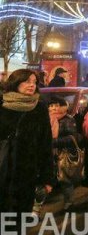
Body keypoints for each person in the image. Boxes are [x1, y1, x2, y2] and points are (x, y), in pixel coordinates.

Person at [0, 69, 53, 217]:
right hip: (2, 167)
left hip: (26, 172)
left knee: (18, 218)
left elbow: (45, 143)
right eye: (27, 81)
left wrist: (46, 177)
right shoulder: (2, 104)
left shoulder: (39, 108)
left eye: (34, 82)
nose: (32, 85)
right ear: (15, 82)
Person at [43, 95, 82, 212]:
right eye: (51, 106)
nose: (54, 108)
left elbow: (72, 137)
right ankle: (37, 207)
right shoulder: (44, 119)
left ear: (62, 107)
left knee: (64, 179)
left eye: (56, 105)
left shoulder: (68, 119)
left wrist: (53, 142)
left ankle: (69, 203)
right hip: (47, 154)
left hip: (62, 153)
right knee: (45, 180)